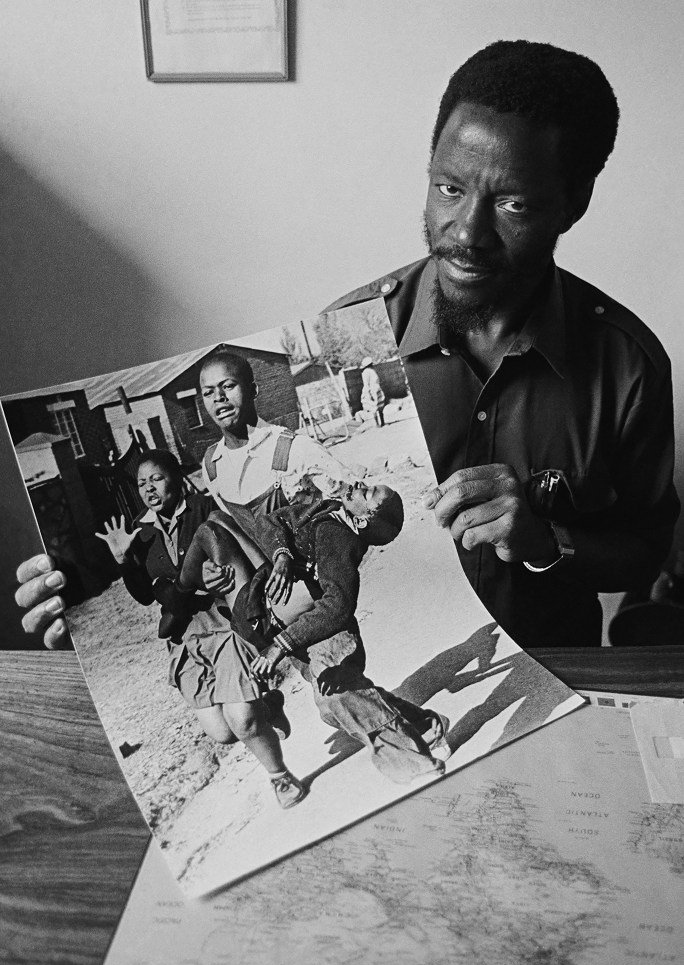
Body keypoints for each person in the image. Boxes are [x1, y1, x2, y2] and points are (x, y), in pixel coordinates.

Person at [14, 40, 680, 649]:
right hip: (388, 679)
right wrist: (80, 591)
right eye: (448, 188)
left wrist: (547, 540)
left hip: (562, 678)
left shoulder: (628, 365)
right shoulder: (354, 330)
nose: (465, 233)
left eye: (512, 205)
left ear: (575, 202)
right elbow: (271, 534)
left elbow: (647, 549)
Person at [157, 480, 452, 782]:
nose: (361, 484)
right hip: (275, 613)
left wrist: (281, 645)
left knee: (334, 695)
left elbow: (338, 605)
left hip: (320, 633)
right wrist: (282, 554)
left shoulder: (340, 536)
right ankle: (424, 726)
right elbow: (269, 520)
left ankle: (414, 763)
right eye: (369, 485)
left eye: (368, 494)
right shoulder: (325, 509)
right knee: (335, 702)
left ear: (362, 519)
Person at [96, 449, 307, 809]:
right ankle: (269, 706)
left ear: (175, 478)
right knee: (222, 733)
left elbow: (237, 555)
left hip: (221, 621)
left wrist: (214, 577)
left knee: (242, 720)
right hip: (183, 634)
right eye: (141, 483)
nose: (148, 489)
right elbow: (145, 597)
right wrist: (123, 561)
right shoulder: (139, 529)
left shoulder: (204, 510)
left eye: (156, 479)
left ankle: (280, 777)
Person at [359, 357, 386, 427]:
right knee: (374, 408)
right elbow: (366, 384)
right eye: (371, 364)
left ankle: (382, 422)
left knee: (380, 407)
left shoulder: (372, 371)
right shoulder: (365, 372)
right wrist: (368, 393)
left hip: (377, 389)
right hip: (372, 391)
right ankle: (377, 424)